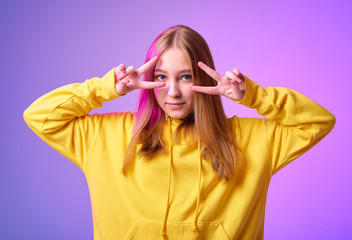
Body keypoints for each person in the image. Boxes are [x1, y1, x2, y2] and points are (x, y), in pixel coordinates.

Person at [23, 25, 335, 240]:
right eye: (161, 77)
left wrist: (253, 96)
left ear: (203, 77)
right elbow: (39, 116)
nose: (172, 91)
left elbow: (318, 121)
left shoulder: (248, 140)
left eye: (185, 77)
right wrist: (107, 88)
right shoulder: (107, 136)